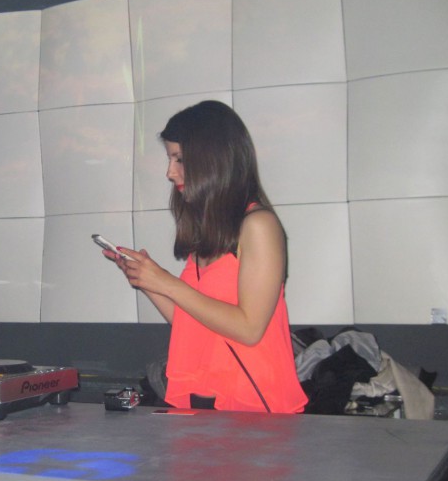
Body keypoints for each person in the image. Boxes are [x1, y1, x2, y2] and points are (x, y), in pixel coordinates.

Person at [105, 100, 306, 413]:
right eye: (170, 159)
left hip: (254, 404)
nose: (170, 172)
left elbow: (249, 328)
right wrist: (147, 280)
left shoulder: (259, 225)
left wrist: (167, 283)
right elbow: (190, 320)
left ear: (213, 160)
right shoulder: (210, 232)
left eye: (180, 159)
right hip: (205, 398)